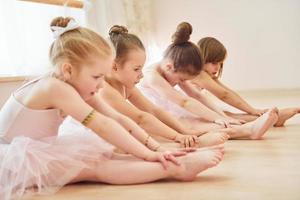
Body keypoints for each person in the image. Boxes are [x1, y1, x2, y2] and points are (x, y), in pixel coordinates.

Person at [0, 17, 224, 200]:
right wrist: (149, 154)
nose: (101, 84)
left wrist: (155, 148)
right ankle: (176, 168)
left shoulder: (74, 83)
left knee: (107, 153)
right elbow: (103, 125)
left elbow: (117, 119)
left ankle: (168, 161)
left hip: (34, 148)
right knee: (95, 166)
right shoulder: (55, 88)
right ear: (68, 69)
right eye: (97, 76)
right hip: (10, 160)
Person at [139, 22, 278, 139]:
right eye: (182, 79)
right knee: (188, 123)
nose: (181, 82)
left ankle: (247, 126)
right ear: (170, 67)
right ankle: (246, 130)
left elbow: (197, 95)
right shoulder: (152, 76)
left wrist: (221, 116)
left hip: (170, 106)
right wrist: (217, 118)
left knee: (202, 118)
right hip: (153, 113)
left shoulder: (174, 68)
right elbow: (184, 101)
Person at [98, 25, 229, 148]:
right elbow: (141, 118)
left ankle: (198, 139)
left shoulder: (126, 85)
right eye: (136, 69)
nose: (141, 75)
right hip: (102, 135)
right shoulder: (104, 89)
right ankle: (194, 144)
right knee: (138, 135)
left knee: (163, 128)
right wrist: (178, 136)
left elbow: (153, 110)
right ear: (114, 66)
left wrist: (185, 132)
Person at [188, 36, 299, 126]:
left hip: (193, 109)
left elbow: (228, 91)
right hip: (185, 112)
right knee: (225, 115)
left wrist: (252, 109)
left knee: (226, 114)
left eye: (220, 63)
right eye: (214, 63)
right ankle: (274, 119)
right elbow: (224, 95)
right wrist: (252, 110)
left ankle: (272, 119)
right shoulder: (199, 74)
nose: (217, 68)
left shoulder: (206, 75)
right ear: (202, 59)